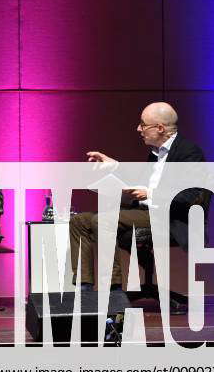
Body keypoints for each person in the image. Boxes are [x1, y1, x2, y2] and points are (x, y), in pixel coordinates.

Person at [69, 101, 205, 300]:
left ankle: (113, 290)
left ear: (159, 128)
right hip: (145, 212)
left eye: (143, 125)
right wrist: (114, 166)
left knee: (104, 220)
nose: (138, 129)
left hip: (169, 217)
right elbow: (141, 182)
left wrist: (150, 194)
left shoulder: (189, 152)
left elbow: (190, 195)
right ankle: (85, 289)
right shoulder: (156, 154)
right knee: (79, 221)